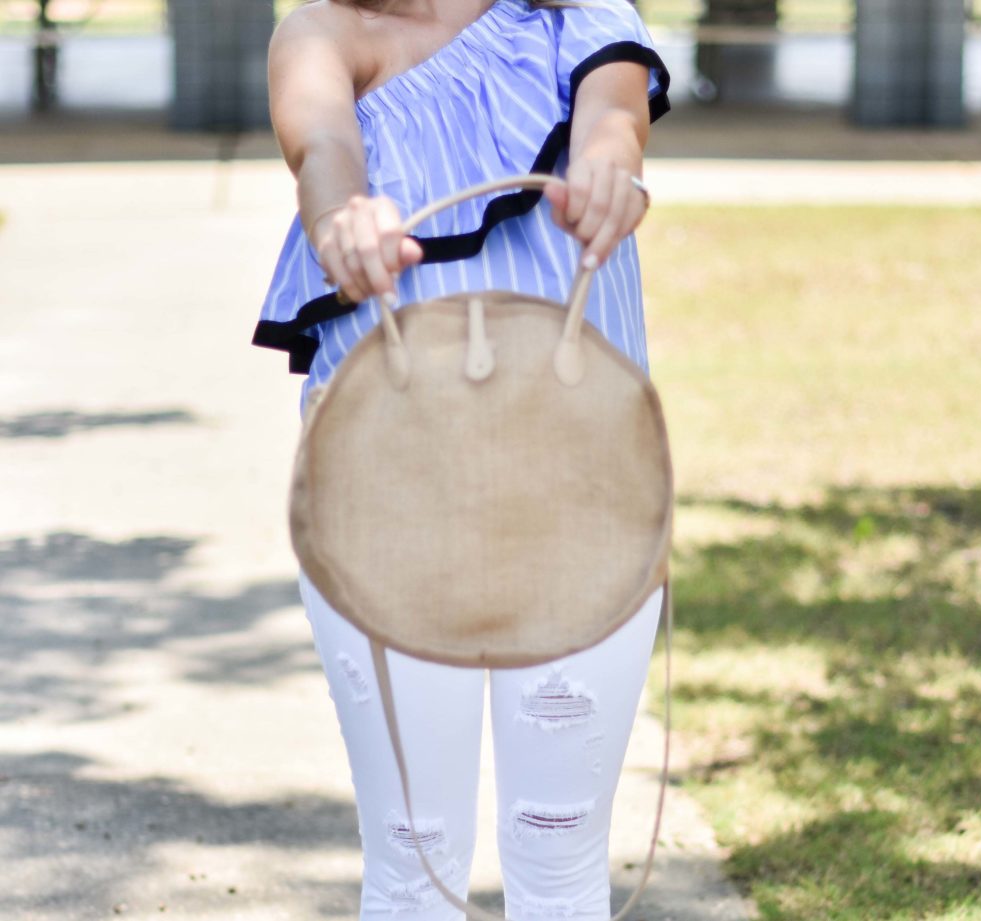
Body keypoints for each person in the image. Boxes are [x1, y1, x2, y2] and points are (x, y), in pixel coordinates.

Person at [252, 1, 672, 918]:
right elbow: (322, 147)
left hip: (583, 499)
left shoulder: (579, 16)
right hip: (383, 502)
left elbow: (615, 118)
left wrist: (609, 172)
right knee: (416, 865)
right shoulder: (321, 31)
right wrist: (343, 221)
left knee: (559, 863)